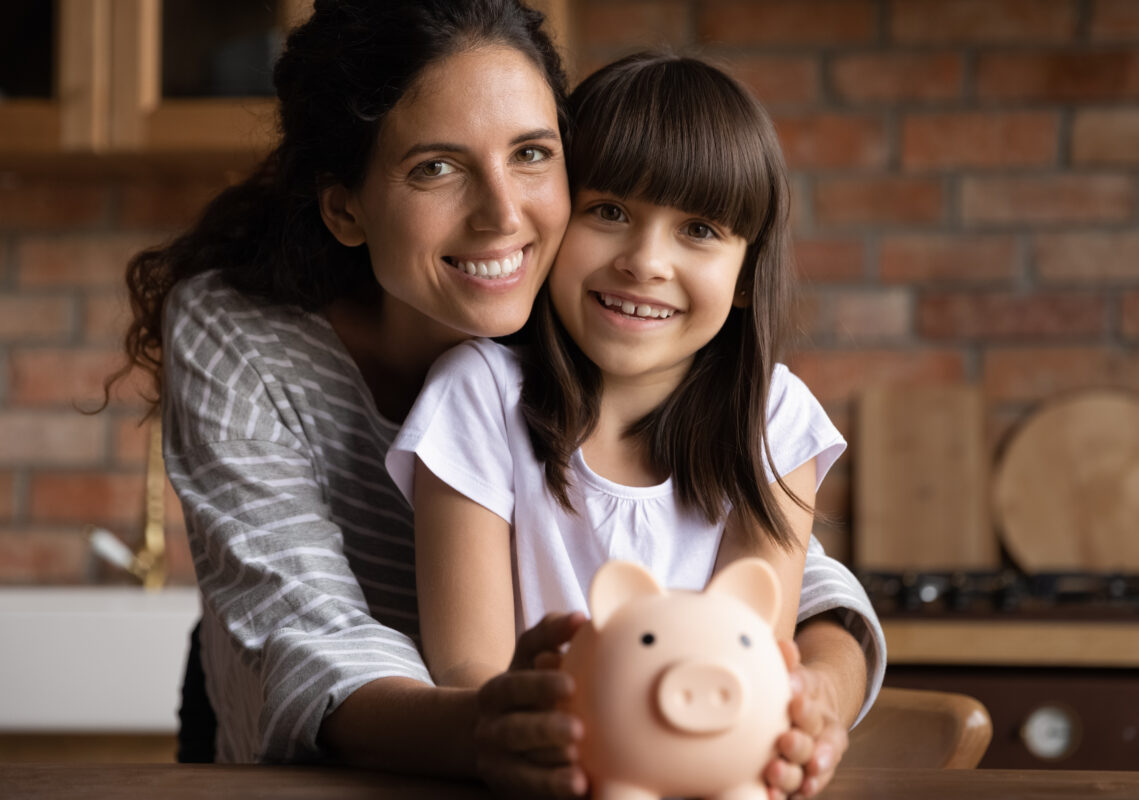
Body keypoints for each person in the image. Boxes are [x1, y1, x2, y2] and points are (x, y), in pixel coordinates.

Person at [103, 1, 882, 797]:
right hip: (324, 753)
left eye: (533, 154)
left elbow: (748, 560)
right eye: (436, 167)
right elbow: (307, 635)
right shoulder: (248, 338)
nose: (504, 217)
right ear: (346, 207)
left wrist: (810, 689)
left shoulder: (590, 320)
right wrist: (514, 721)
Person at [387, 52, 883, 798]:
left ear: (747, 276)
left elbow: (755, 649)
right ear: (554, 221)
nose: (646, 262)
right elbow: (471, 673)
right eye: (610, 212)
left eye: (700, 230)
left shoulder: (774, 420)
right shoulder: (477, 400)